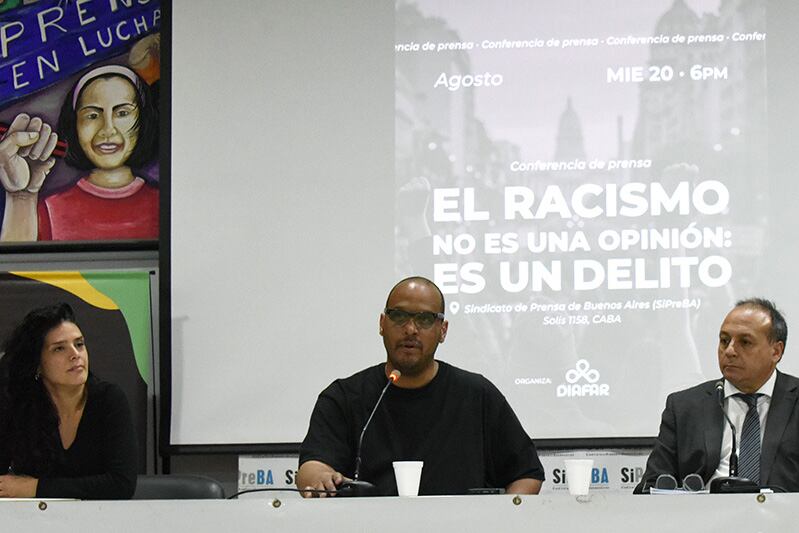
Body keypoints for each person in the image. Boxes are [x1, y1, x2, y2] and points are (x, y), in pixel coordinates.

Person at [297, 276, 545, 497]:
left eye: (425, 319)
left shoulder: (477, 395)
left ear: (443, 331)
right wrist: (318, 478)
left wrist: (497, 522)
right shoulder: (344, 397)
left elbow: (526, 473)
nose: (410, 329)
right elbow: (312, 469)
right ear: (382, 323)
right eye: (399, 316)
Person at [635, 298, 799, 493]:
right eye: (724, 340)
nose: (729, 351)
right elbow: (648, 489)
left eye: (745, 342)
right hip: (702, 519)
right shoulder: (684, 406)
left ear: (776, 351)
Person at [0, 64, 158, 242]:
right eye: (92, 116)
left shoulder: (165, 205)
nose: (108, 129)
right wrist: (21, 197)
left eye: (122, 113)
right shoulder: (50, 209)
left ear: (143, 120)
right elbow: (15, 267)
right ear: (75, 125)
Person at [0, 303, 137, 499]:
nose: (75, 354)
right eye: (59, 349)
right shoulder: (20, 405)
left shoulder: (108, 399)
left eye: (79, 344)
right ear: (37, 364)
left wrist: (37, 489)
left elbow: (121, 485)